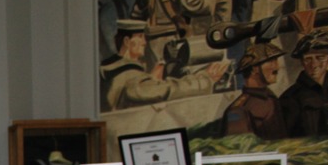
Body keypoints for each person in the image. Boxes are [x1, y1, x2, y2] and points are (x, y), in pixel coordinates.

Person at [99, 19, 230, 111]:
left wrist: (151, 79)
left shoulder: (110, 68)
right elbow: (169, 89)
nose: (145, 42)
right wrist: (204, 79)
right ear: (127, 41)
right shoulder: (131, 76)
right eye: (140, 37)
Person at [280, 30, 328, 137]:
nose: (314, 65)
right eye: (308, 59)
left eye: (320, 58)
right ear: (301, 61)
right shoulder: (291, 97)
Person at [220, 42, 288, 140]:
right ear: (254, 68)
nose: (276, 67)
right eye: (271, 61)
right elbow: (239, 149)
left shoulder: (271, 98)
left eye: (276, 61)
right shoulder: (239, 109)